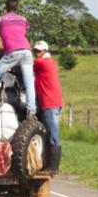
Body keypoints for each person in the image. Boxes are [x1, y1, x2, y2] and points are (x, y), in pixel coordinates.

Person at [32, 41, 64, 173]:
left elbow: (25, 64)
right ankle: (48, 164)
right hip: (51, 101)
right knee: (48, 132)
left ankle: (53, 167)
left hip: (49, 102)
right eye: (35, 51)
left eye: (39, 51)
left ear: (45, 51)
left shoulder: (42, 63)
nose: (36, 53)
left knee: (52, 134)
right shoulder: (50, 62)